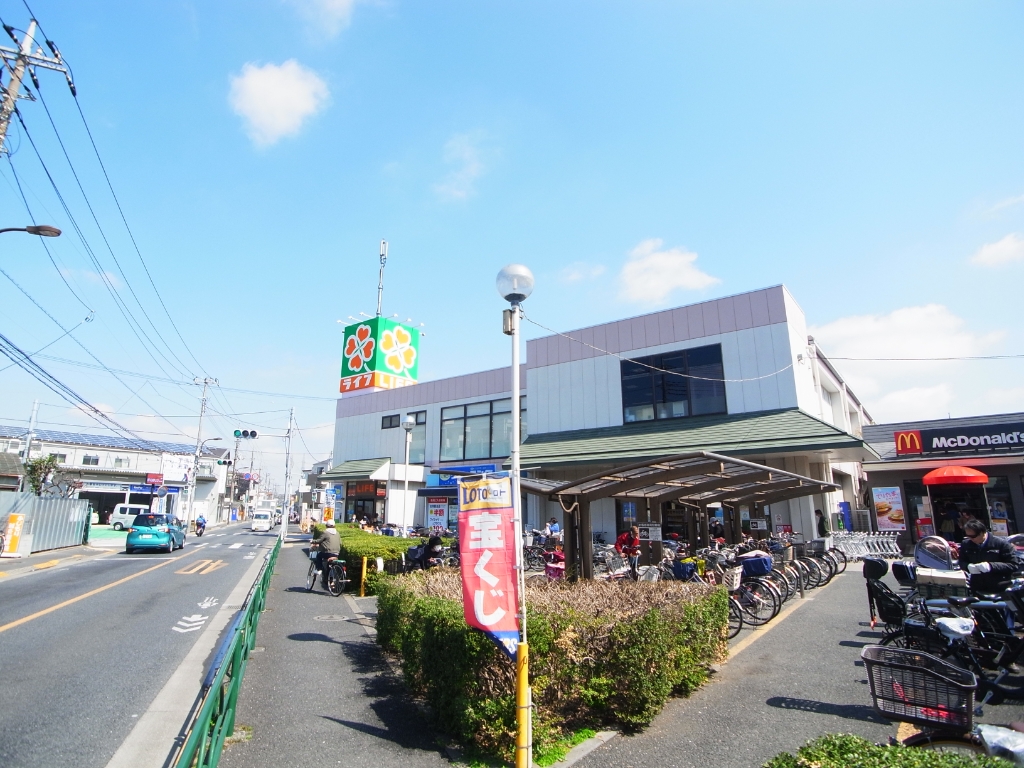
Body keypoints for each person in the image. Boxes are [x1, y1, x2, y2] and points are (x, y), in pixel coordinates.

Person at [959, 520, 1023, 594]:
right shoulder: (966, 544)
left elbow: (1013, 565)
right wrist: (968, 566)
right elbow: (962, 561)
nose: (971, 539)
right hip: (977, 586)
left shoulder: (1001, 544)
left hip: (999, 586)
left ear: (982, 533)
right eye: (968, 536)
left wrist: (991, 566)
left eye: (973, 536)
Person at [311, 519, 342, 589]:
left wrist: (312, 541)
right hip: (336, 553)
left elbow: (319, 540)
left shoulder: (325, 532)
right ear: (334, 526)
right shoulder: (337, 533)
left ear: (326, 525)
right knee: (329, 566)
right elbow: (340, 543)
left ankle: (319, 569)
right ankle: (330, 581)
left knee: (319, 555)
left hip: (328, 553)